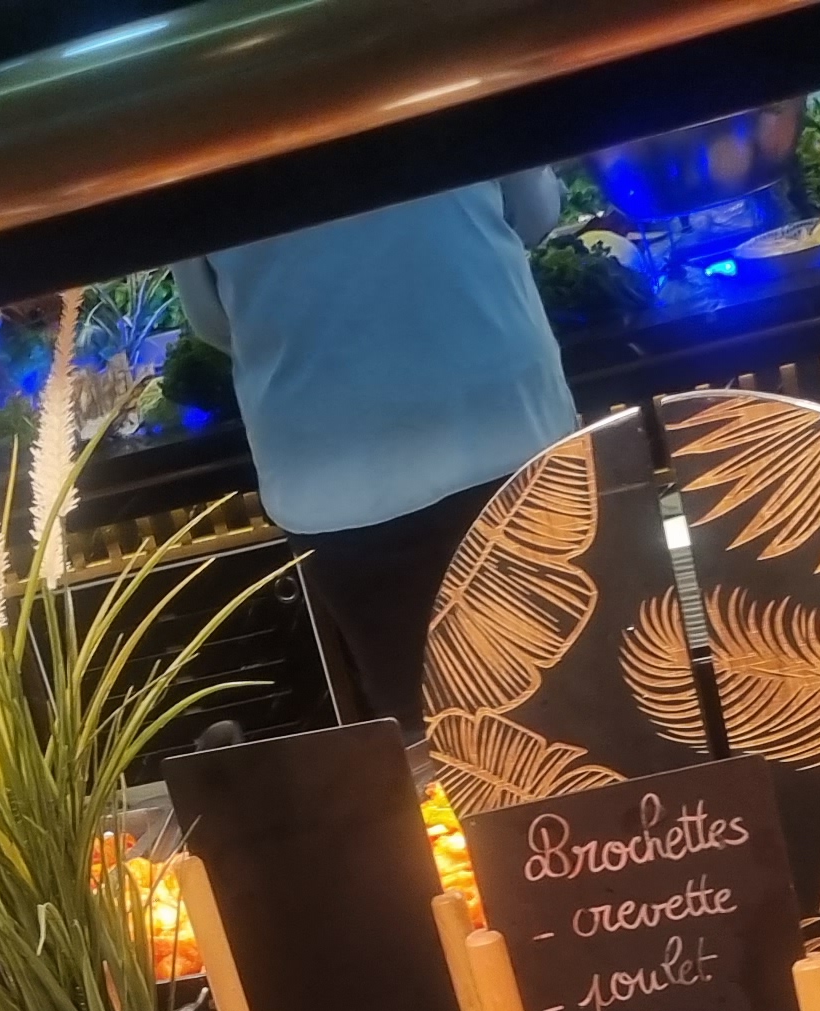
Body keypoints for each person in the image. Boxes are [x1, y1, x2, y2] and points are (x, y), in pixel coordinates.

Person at [177, 179, 585, 732]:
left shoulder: (182, 132)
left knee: (435, 727)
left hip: (333, 474)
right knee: (583, 689)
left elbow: (210, 318)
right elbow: (535, 212)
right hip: (506, 423)